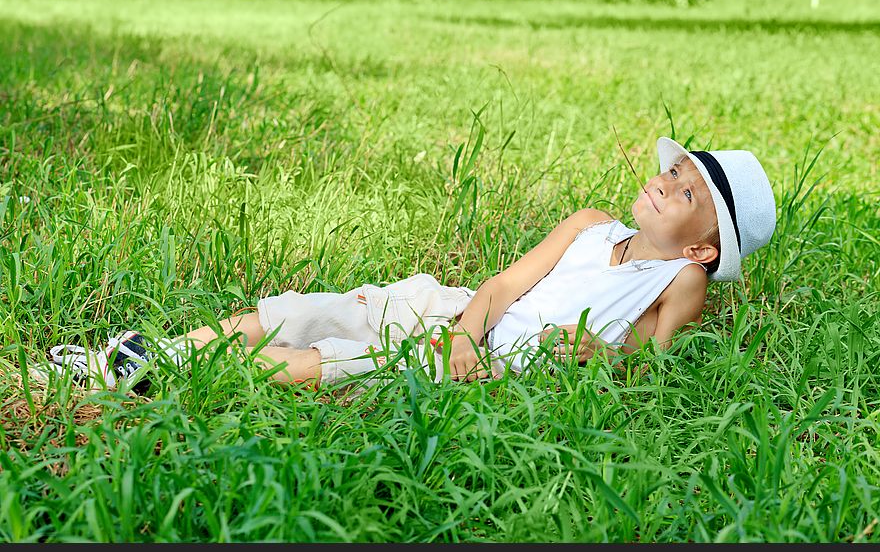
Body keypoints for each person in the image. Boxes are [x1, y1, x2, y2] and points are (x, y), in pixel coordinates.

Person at [36, 136, 776, 395]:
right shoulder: (589, 224)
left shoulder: (677, 282)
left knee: (332, 360)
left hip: (493, 369)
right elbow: (504, 284)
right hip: (461, 316)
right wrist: (462, 329)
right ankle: (141, 356)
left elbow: (648, 367)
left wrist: (598, 359)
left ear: (701, 250)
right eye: (673, 170)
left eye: (686, 192)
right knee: (306, 308)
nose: (664, 182)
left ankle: (150, 371)